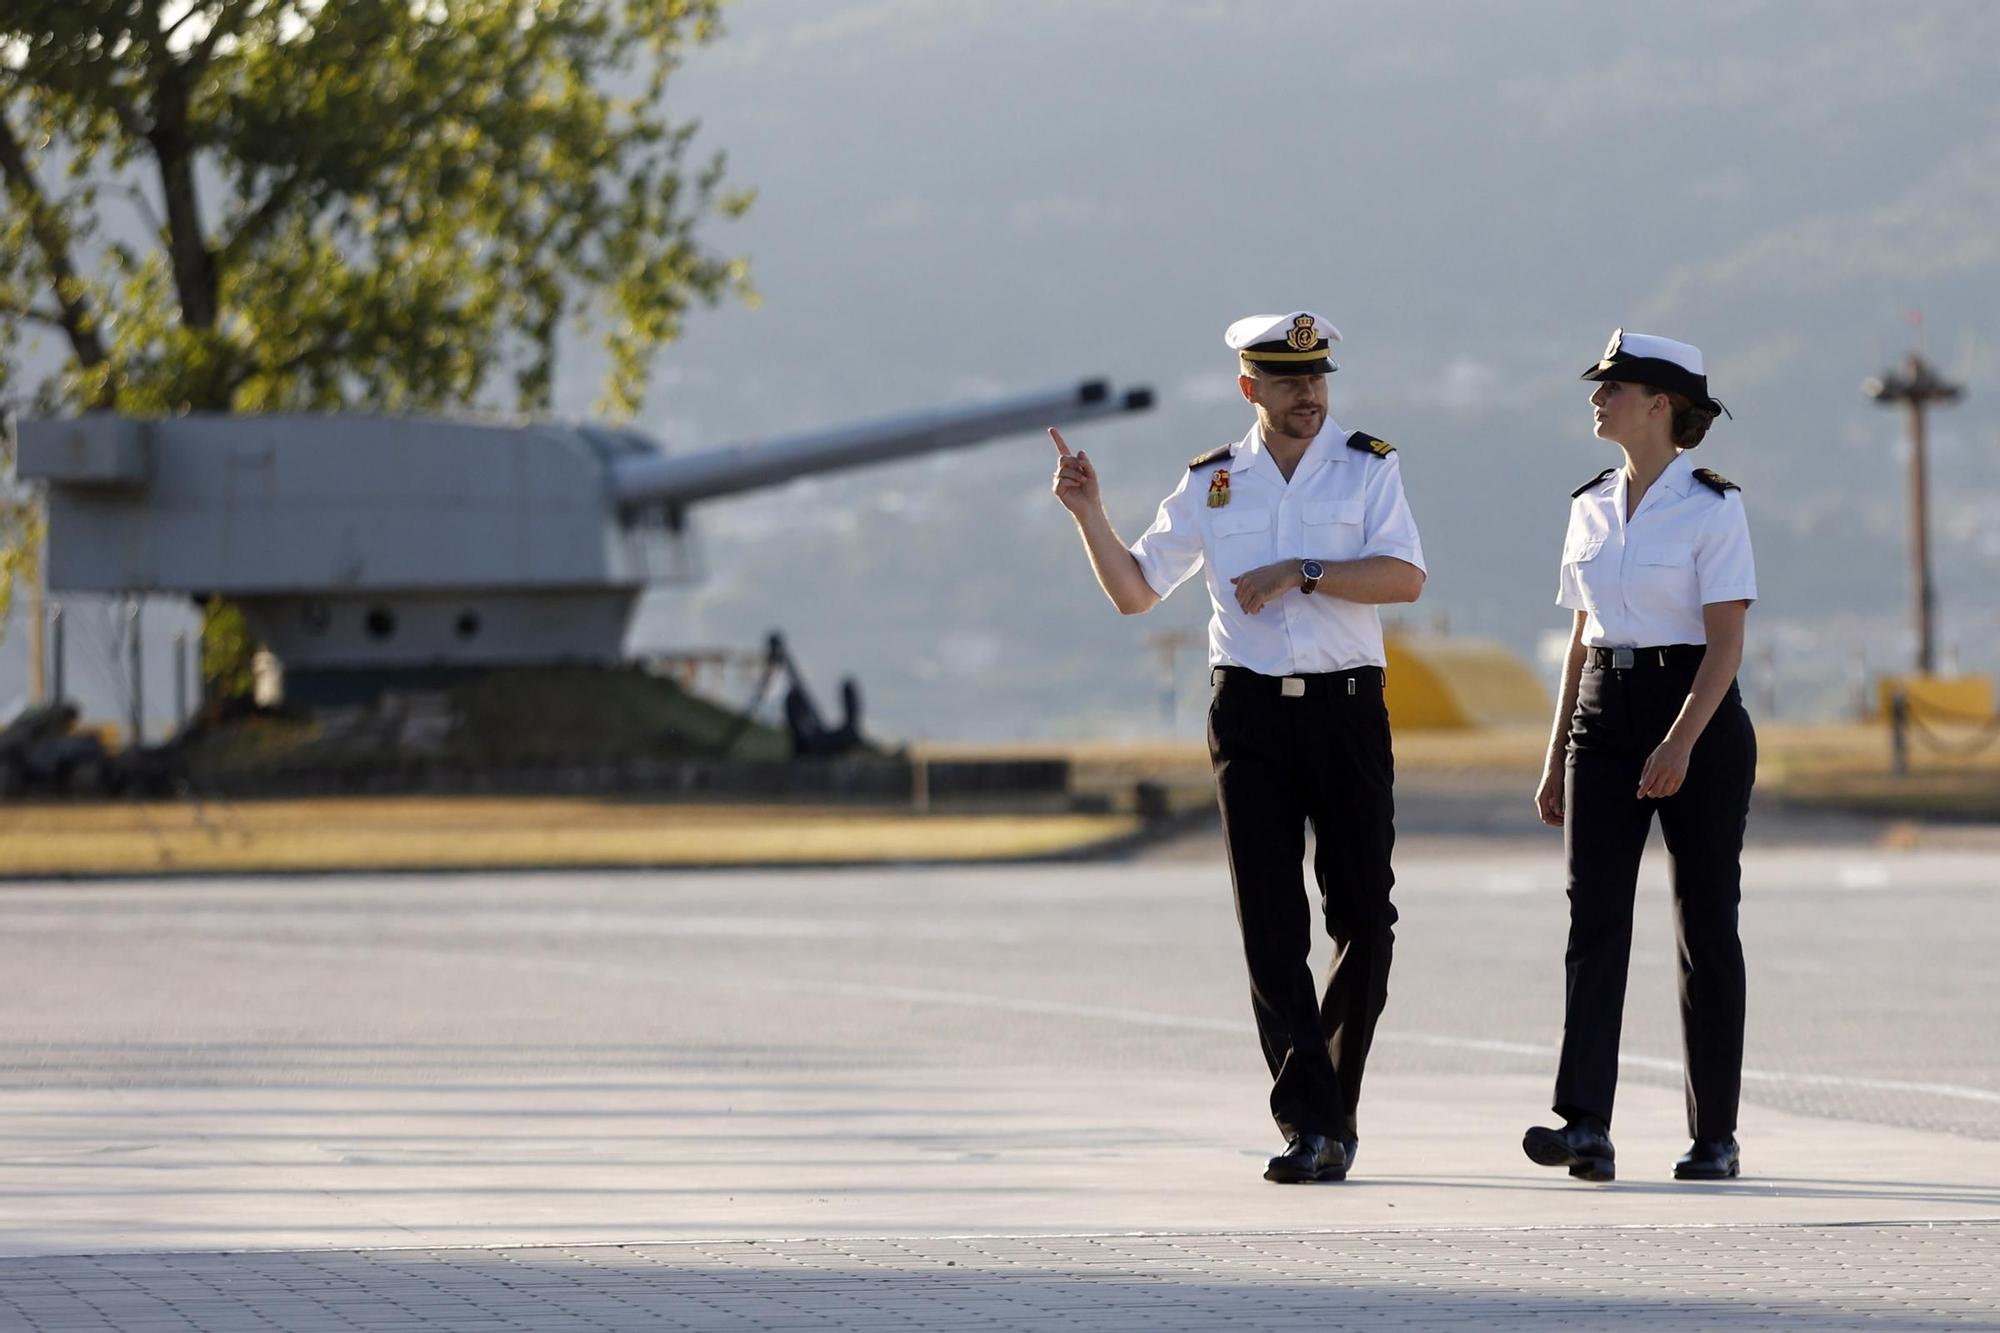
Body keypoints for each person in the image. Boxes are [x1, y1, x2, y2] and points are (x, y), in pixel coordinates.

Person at [1050, 311, 1426, 1183]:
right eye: (1290, 382)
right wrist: (1088, 512)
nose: (1309, 396)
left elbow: (1405, 577)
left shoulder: (1368, 467)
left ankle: (1333, 1102)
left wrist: (1304, 570)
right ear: (1250, 387)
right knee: (1270, 927)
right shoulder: (1212, 483)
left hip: (1346, 710)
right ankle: (1309, 1124)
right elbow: (1138, 591)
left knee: (1366, 919)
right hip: (1250, 717)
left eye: (1318, 379)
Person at [1525, 329, 1757, 1184]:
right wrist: (1556, 757)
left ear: (1659, 404)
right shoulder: (1587, 504)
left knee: (1705, 926)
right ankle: (1585, 1122)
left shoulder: (1712, 506)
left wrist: (1680, 743)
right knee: (1593, 921)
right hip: (1603, 716)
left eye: (1613, 387)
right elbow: (1581, 637)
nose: (1596, 397)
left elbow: (1727, 644)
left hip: (1693, 711)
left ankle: (1714, 1136)